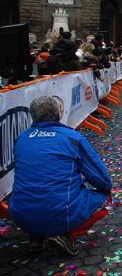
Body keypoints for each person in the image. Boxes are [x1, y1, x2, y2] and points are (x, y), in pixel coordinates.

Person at [8, 96, 112, 255]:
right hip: (63, 213)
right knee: (106, 199)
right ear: (59, 115)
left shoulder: (20, 139)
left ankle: (36, 235)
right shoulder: (71, 138)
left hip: (21, 215)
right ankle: (67, 235)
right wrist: (105, 187)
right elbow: (99, 178)